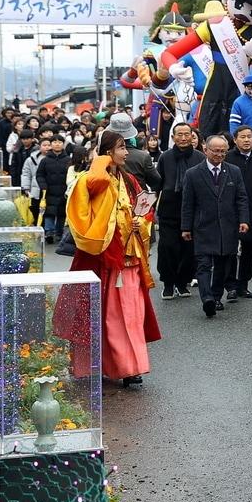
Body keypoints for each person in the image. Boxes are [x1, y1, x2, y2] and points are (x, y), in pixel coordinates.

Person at [57, 132, 161, 387]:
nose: (126, 153)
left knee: (131, 316)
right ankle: (102, 365)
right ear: (107, 152)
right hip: (103, 257)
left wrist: (142, 222)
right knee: (105, 317)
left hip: (129, 256)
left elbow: (144, 210)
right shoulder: (93, 180)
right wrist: (100, 162)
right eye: (122, 148)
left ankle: (129, 367)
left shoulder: (130, 181)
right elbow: (91, 190)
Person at [180, 135, 249, 318]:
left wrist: (243, 220)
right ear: (206, 150)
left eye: (223, 151)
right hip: (203, 226)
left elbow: (241, 198)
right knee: (203, 265)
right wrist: (185, 227)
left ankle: (216, 296)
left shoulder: (233, 171)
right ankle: (207, 298)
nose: (219, 154)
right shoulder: (193, 173)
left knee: (222, 263)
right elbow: (187, 203)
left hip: (227, 225)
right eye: (216, 151)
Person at [154, 122, 205, 300]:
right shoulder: (165, 157)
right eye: (179, 135)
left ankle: (182, 283)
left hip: (193, 209)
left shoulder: (199, 157)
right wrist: (151, 210)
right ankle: (168, 283)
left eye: (187, 134)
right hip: (170, 208)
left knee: (188, 250)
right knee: (168, 248)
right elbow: (157, 185)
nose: (183, 138)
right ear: (173, 137)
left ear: (192, 137)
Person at [224, 125, 252, 299]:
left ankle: (243, 284)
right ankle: (230, 285)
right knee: (230, 249)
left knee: (249, 249)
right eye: (243, 137)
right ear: (235, 140)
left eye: (249, 136)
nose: (247, 140)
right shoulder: (227, 158)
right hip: (230, 210)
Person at [35, 134, 72, 242]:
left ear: (63, 144)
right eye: (55, 142)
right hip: (49, 191)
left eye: (60, 142)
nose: (57, 144)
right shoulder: (45, 160)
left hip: (63, 191)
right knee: (48, 212)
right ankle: (49, 232)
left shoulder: (68, 160)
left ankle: (59, 232)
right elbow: (39, 175)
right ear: (51, 145)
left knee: (61, 213)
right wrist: (43, 185)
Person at [21, 137, 50, 226]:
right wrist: (26, 188)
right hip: (35, 189)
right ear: (40, 147)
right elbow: (26, 173)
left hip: (49, 189)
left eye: (49, 145)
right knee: (35, 208)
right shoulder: (31, 160)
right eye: (44, 145)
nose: (47, 147)